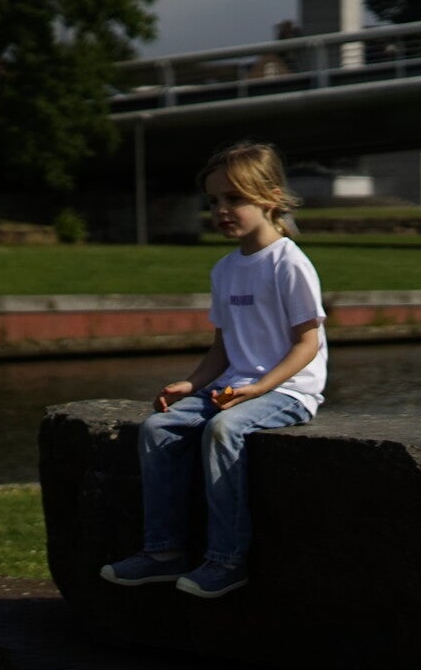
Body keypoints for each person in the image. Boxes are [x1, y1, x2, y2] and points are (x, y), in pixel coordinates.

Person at [101, 141, 328, 599]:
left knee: (224, 431)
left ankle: (226, 561)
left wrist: (260, 388)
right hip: (235, 386)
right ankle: (163, 551)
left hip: (288, 391)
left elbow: (309, 343)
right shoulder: (225, 269)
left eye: (234, 198)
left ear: (270, 198)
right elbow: (223, 347)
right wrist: (191, 383)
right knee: (158, 428)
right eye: (213, 201)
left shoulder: (289, 263)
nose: (221, 210)